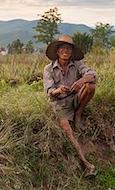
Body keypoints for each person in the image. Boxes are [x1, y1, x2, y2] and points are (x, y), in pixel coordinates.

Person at [43, 35, 97, 176]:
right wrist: (58, 90)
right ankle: (85, 163)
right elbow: (49, 92)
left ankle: (78, 114)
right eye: (62, 48)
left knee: (90, 86)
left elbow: (93, 74)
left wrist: (82, 80)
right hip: (60, 103)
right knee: (67, 130)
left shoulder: (77, 64)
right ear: (57, 51)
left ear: (72, 52)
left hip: (75, 98)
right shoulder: (48, 69)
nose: (65, 51)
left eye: (68, 48)